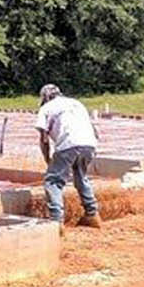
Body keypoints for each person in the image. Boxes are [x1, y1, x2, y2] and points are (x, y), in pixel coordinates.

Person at [34, 82, 101, 228]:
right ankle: (92, 214)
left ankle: (56, 222)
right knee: (81, 176)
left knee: (52, 181)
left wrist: (47, 159)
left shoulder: (46, 108)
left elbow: (43, 139)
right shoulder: (76, 103)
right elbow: (94, 129)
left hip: (68, 145)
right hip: (89, 143)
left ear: (44, 98)